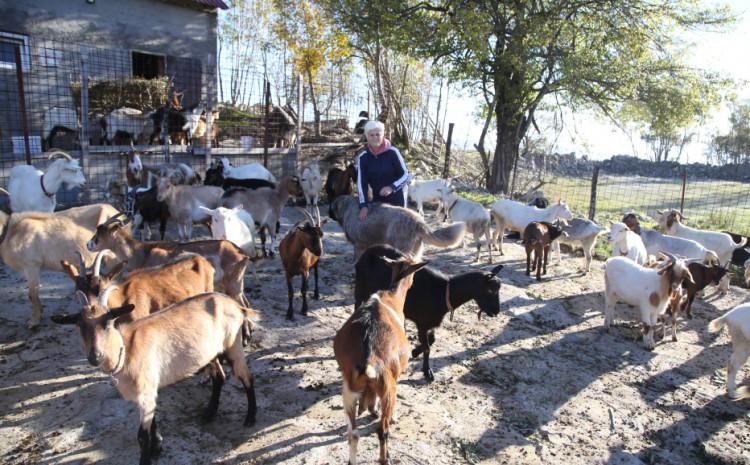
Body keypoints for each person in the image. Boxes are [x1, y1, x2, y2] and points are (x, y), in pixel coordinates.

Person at [357, 121, 410, 221]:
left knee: (399, 227)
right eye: (371, 135)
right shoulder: (363, 157)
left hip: (398, 196)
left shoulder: (393, 152)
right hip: (378, 198)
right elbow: (361, 183)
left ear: (382, 135)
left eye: (378, 134)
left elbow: (405, 174)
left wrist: (391, 187)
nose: (375, 137)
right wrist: (363, 206)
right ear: (367, 137)